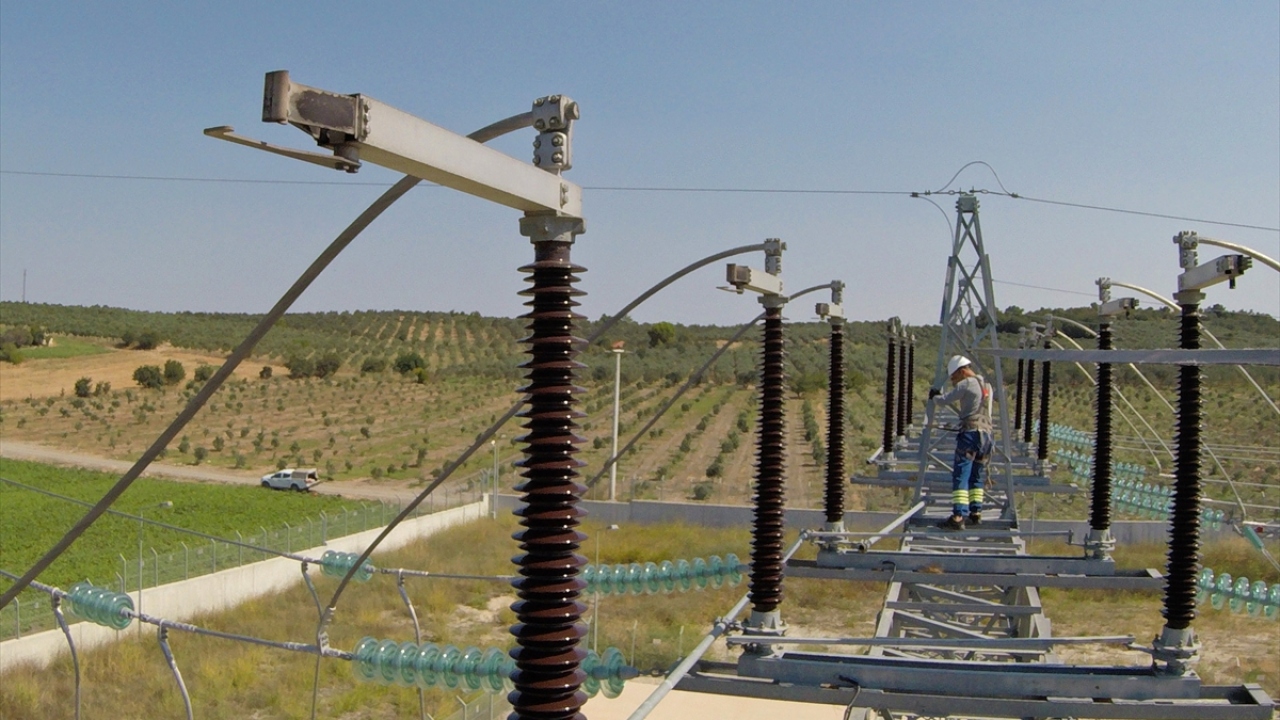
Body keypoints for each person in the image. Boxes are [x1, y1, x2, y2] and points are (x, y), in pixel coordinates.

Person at [928, 355, 993, 530]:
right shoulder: (987, 386)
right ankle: (976, 512)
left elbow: (943, 401)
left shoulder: (966, 383)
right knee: (977, 475)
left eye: (954, 377)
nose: (954, 381)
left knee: (961, 475)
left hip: (970, 434)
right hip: (986, 436)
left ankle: (958, 516)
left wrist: (934, 396)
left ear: (962, 371)